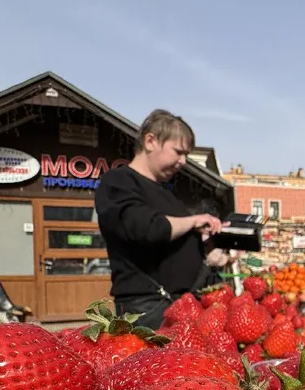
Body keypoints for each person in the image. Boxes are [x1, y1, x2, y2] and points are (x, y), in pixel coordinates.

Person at [95, 109, 225, 329]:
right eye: (178, 152)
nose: (184, 161)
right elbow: (147, 228)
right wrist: (193, 222)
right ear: (150, 141)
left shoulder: (166, 193)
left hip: (177, 304)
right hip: (146, 309)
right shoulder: (119, 182)